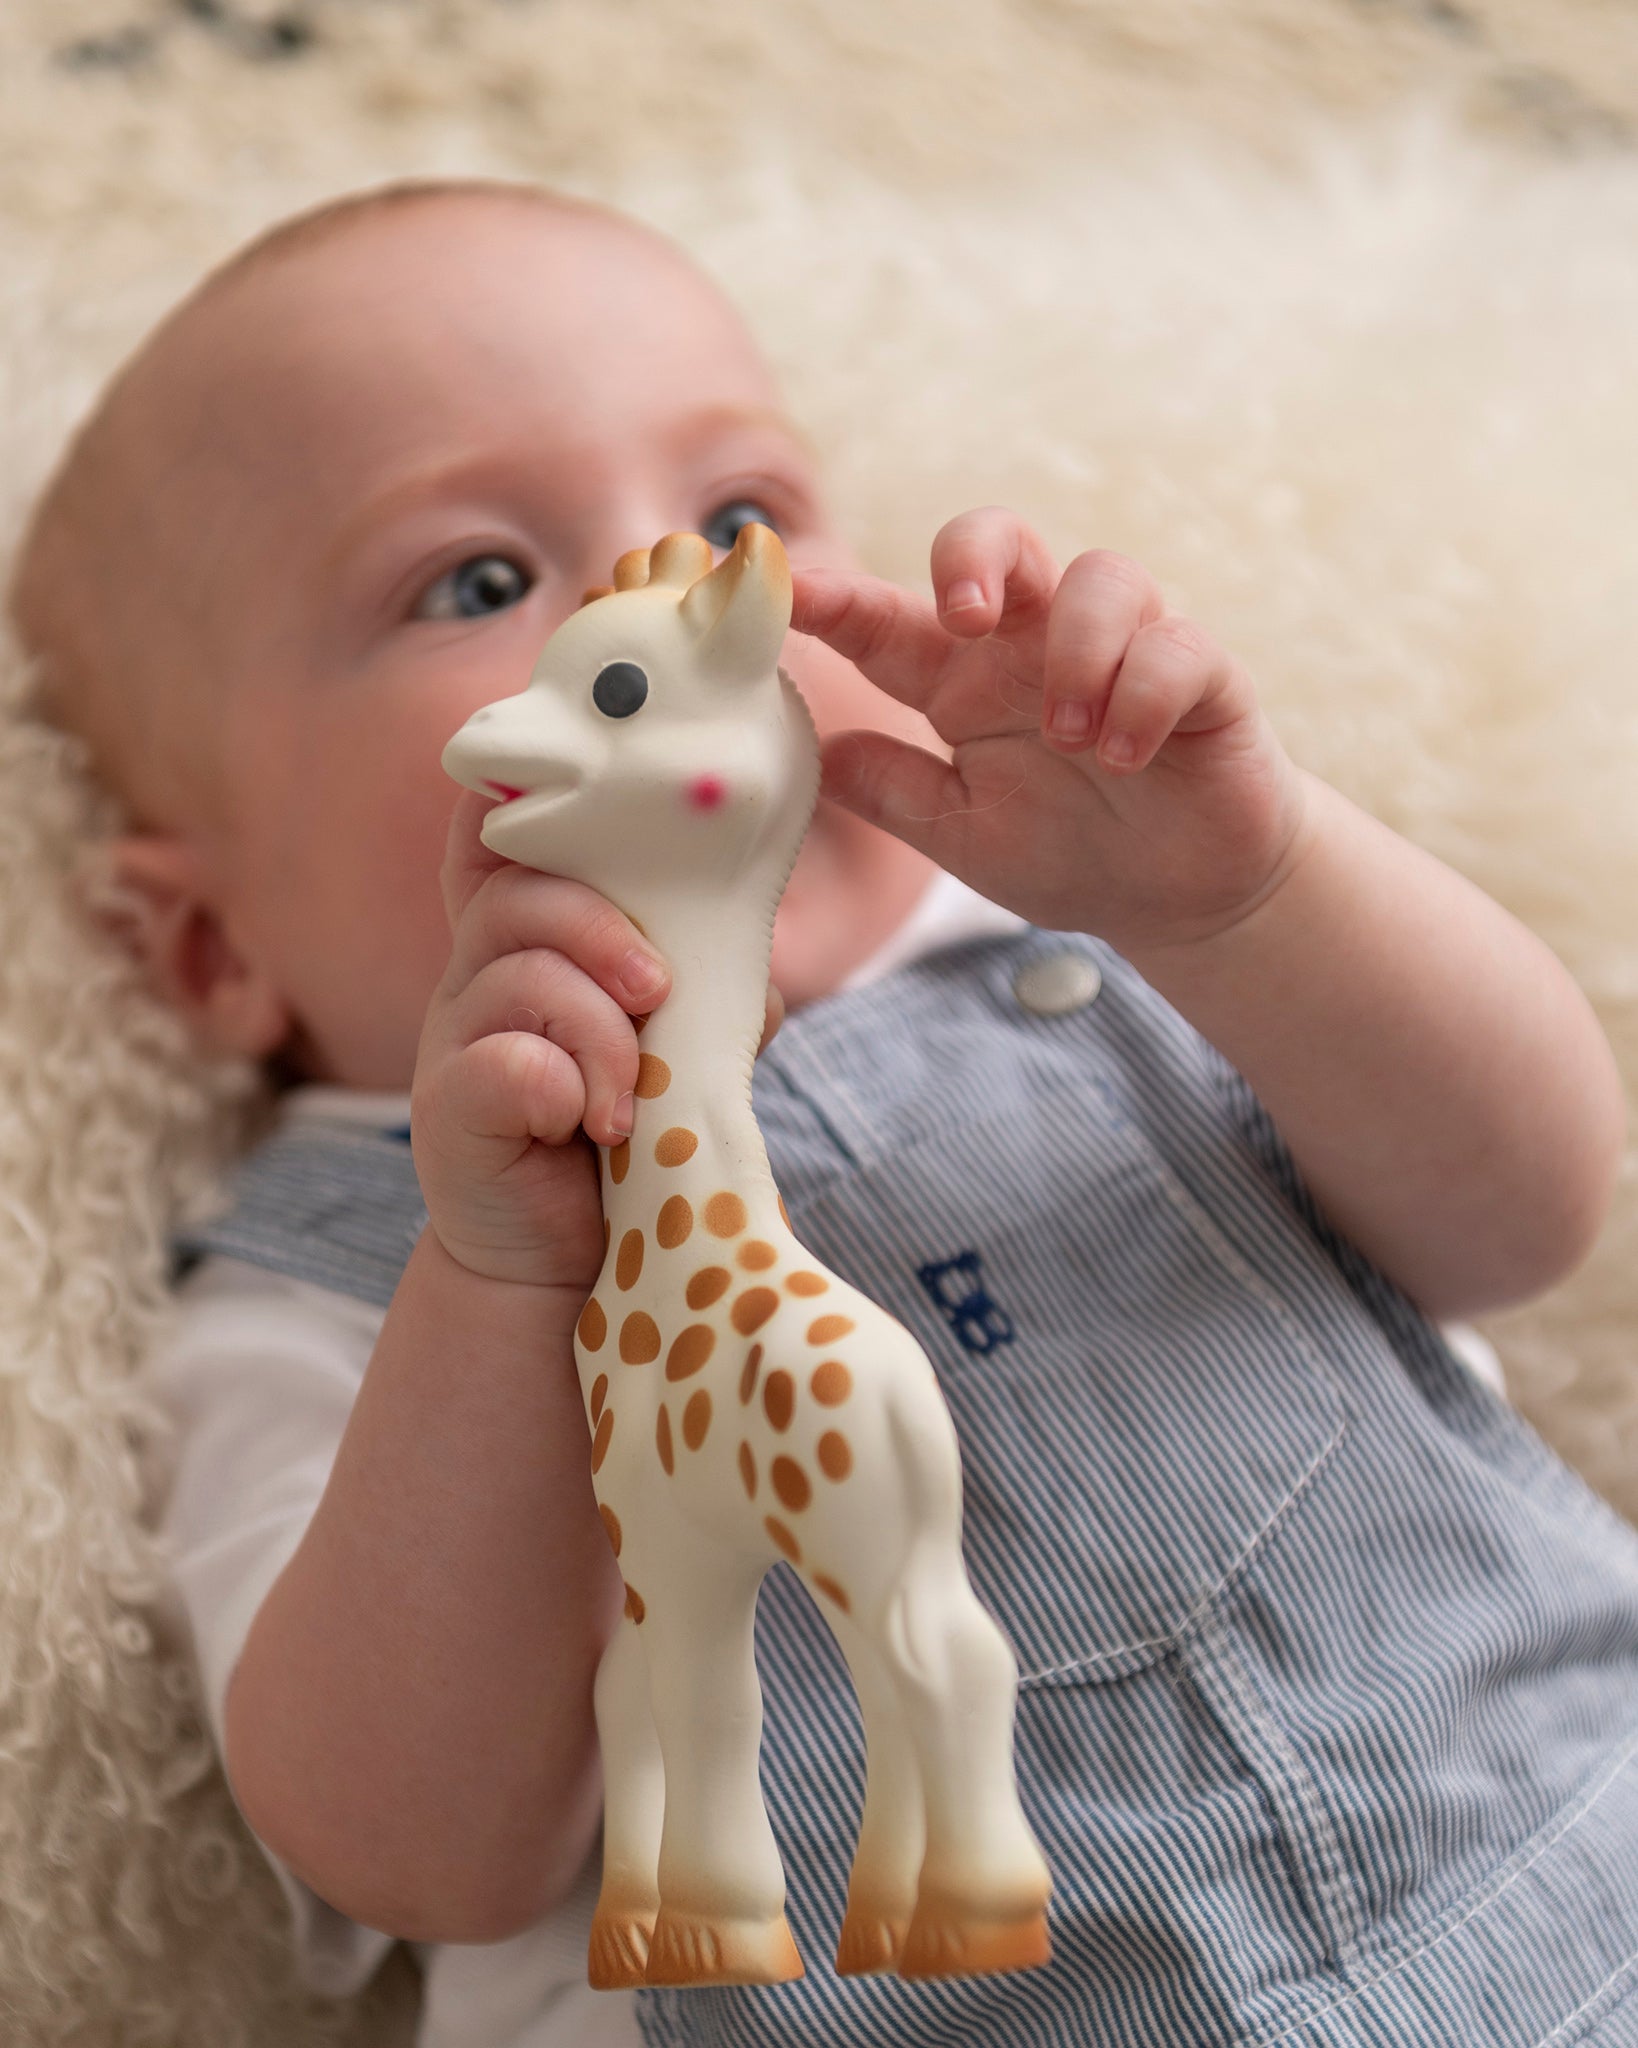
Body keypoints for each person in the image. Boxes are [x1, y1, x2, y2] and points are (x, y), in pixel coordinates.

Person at [8, 176, 1638, 2048]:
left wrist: (1252, 893)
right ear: (211, 945)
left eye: (739, 515)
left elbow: (1529, 1209)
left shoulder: (1109, 946)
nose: (679, 599)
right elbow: (416, 1852)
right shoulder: (336, 1284)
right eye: (474, 579)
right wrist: (501, 1284)